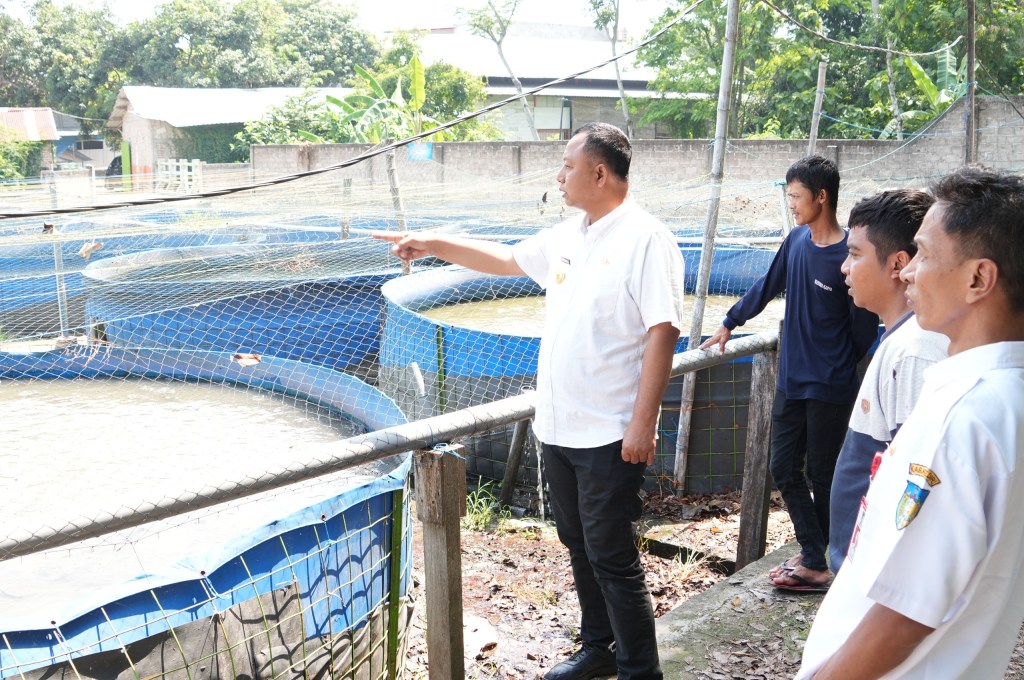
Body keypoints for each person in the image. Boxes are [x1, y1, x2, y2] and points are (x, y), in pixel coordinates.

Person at [376, 122, 685, 680]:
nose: (559, 175)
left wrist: (644, 422)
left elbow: (664, 332)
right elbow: (503, 259)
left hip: (611, 430)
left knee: (612, 556)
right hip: (560, 425)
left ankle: (642, 671)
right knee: (577, 543)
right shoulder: (570, 235)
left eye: (567, 165)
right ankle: (599, 649)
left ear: (598, 172)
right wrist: (430, 243)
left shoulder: (646, 239)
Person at [796, 165, 1024, 679]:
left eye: (923, 254)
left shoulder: (965, 417)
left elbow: (905, 614)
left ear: (977, 279)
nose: (908, 271)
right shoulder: (1002, 396)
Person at [700, 155, 879, 591]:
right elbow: (767, 284)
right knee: (783, 466)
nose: (793, 204)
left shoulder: (846, 255)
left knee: (823, 473)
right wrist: (730, 321)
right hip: (791, 379)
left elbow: (862, 329)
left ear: (822, 197)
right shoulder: (796, 240)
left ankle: (819, 559)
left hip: (830, 385)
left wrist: (833, 363)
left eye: (798, 197)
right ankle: (817, 553)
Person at [828, 189, 949, 574]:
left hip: (877, 572)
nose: (844, 268)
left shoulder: (914, 350)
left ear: (898, 263)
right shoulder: (900, 339)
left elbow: (914, 487)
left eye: (855, 253)